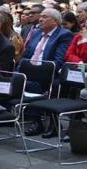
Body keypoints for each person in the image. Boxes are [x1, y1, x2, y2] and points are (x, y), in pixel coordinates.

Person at [19, 8, 74, 136]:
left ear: (55, 21)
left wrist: (37, 70)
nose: (40, 19)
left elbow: (59, 60)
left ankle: (47, 123)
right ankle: (36, 120)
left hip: (49, 72)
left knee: (36, 84)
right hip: (30, 71)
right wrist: (20, 68)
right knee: (20, 79)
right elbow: (26, 54)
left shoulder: (64, 35)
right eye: (41, 16)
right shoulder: (36, 33)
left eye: (45, 17)